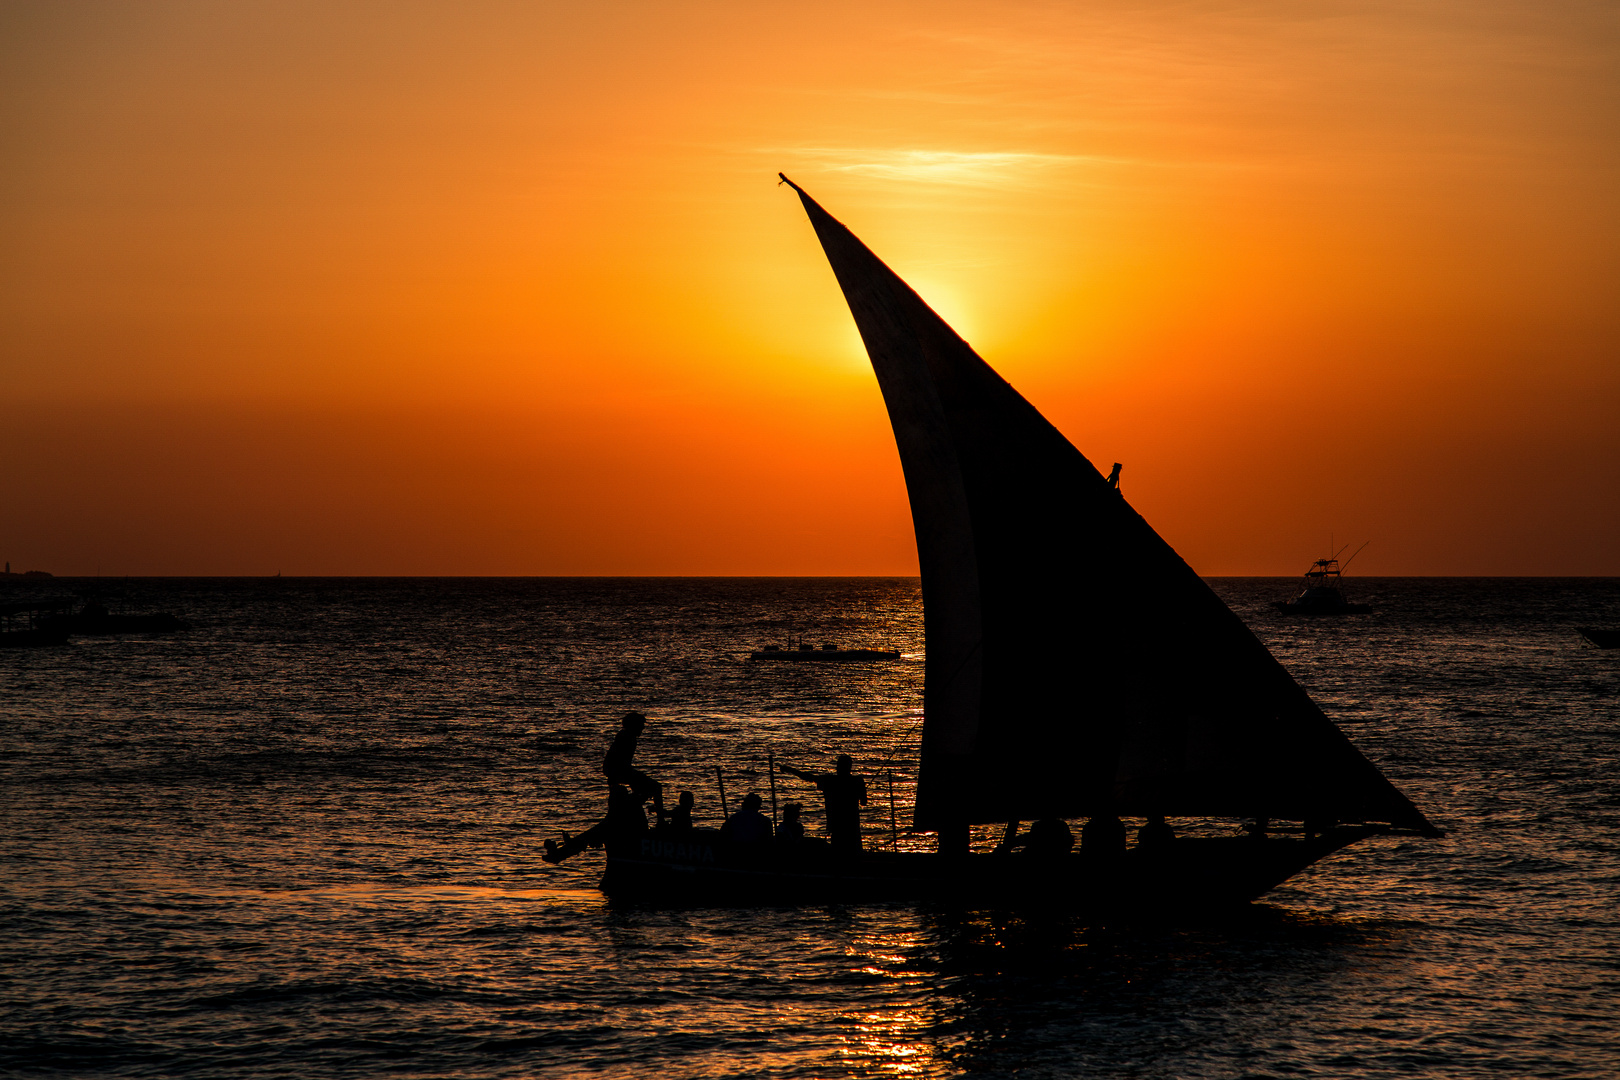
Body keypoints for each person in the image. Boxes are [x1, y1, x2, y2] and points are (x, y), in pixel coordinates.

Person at [780, 754, 868, 854]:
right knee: (855, 854)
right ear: (850, 767)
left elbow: (808, 777)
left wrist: (790, 770)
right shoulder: (857, 781)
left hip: (836, 826)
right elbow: (864, 802)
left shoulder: (830, 781)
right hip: (852, 826)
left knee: (838, 853)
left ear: (838, 767)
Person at [543, 783, 646, 864]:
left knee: (590, 836)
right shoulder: (619, 813)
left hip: (627, 836)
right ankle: (563, 851)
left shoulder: (621, 814)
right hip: (619, 835)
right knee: (589, 836)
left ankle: (562, 852)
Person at [602, 710, 663, 818]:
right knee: (656, 787)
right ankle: (661, 820)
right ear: (635, 725)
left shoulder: (624, 735)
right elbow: (622, 763)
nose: (643, 728)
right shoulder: (628, 738)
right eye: (641, 725)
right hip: (618, 772)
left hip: (617, 772)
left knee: (643, 790)